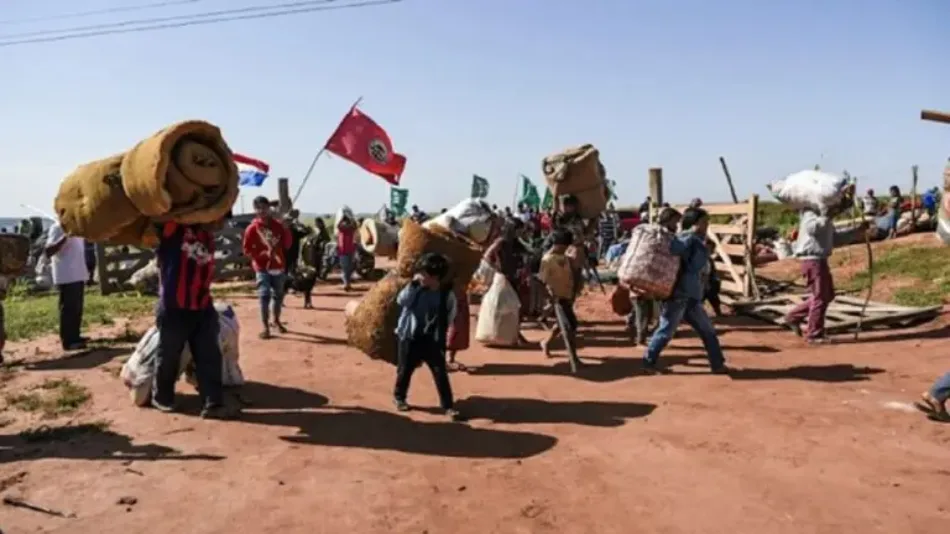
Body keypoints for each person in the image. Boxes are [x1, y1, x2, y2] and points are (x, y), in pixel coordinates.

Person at [152, 218, 234, 419]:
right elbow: (169, 215)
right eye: (219, 220)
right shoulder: (175, 229)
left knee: (209, 354)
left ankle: (212, 402)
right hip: (174, 305)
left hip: (202, 304)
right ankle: (162, 397)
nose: (219, 225)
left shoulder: (208, 238)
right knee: (169, 354)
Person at [642, 207, 727, 374]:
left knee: (707, 331)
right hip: (679, 294)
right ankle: (648, 362)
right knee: (666, 331)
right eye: (704, 221)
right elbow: (682, 255)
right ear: (695, 223)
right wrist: (696, 240)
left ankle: (717, 364)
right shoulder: (686, 238)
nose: (707, 224)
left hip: (691, 295)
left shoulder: (695, 239)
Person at [393, 253, 461, 421]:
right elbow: (402, 301)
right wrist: (413, 286)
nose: (420, 276)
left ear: (435, 277)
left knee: (440, 372)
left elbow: (451, 313)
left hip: (433, 339)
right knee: (405, 369)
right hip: (410, 335)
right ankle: (399, 397)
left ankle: (448, 406)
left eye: (423, 273)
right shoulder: (415, 289)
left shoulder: (446, 294)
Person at [781, 207, 836, 344]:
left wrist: (857, 231)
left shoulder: (824, 216)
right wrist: (826, 216)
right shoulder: (811, 213)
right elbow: (812, 229)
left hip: (820, 260)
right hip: (813, 260)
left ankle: (793, 316)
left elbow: (834, 238)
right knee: (820, 297)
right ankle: (814, 334)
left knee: (827, 295)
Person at [627, 207, 681, 345]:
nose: (676, 225)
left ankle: (636, 330)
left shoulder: (651, 233)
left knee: (644, 310)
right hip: (644, 279)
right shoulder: (661, 236)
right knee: (643, 311)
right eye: (675, 222)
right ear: (668, 220)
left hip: (644, 279)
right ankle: (640, 338)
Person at [243, 196, 292, 339]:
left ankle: (276, 321)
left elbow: (287, 245)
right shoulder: (252, 229)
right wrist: (263, 254)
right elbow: (247, 250)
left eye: (264, 207)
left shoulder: (278, 226)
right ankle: (265, 326)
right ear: (255, 210)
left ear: (268, 208)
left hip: (278, 265)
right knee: (264, 295)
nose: (261, 211)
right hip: (262, 267)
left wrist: (286, 229)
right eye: (258, 208)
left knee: (278, 295)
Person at [45, 220, 89, 351]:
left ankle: (75, 335)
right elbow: (49, 250)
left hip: (78, 272)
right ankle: (68, 341)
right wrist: (65, 236)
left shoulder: (77, 227)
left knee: (77, 308)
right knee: (69, 309)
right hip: (66, 274)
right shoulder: (58, 227)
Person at [538, 229, 577, 356]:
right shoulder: (547, 260)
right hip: (556, 298)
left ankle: (546, 343)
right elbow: (542, 282)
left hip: (566, 295)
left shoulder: (565, 258)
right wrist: (549, 298)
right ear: (559, 245)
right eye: (566, 246)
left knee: (566, 324)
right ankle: (574, 358)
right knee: (568, 326)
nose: (567, 248)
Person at [283, 209, 310, 279]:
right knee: (284, 271)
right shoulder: (281, 230)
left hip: (293, 254)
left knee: (292, 271)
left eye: (290, 220)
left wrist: (300, 224)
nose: (288, 222)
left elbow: (306, 232)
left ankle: (289, 285)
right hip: (284, 254)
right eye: (287, 220)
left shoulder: (294, 230)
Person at [336, 211, 358, 291]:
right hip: (343, 251)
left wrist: (351, 218)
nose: (345, 224)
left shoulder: (350, 229)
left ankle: (347, 283)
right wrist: (343, 218)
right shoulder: (342, 229)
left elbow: (355, 226)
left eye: (346, 222)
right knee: (345, 268)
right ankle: (346, 284)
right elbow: (338, 225)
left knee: (349, 268)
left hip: (349, 251)